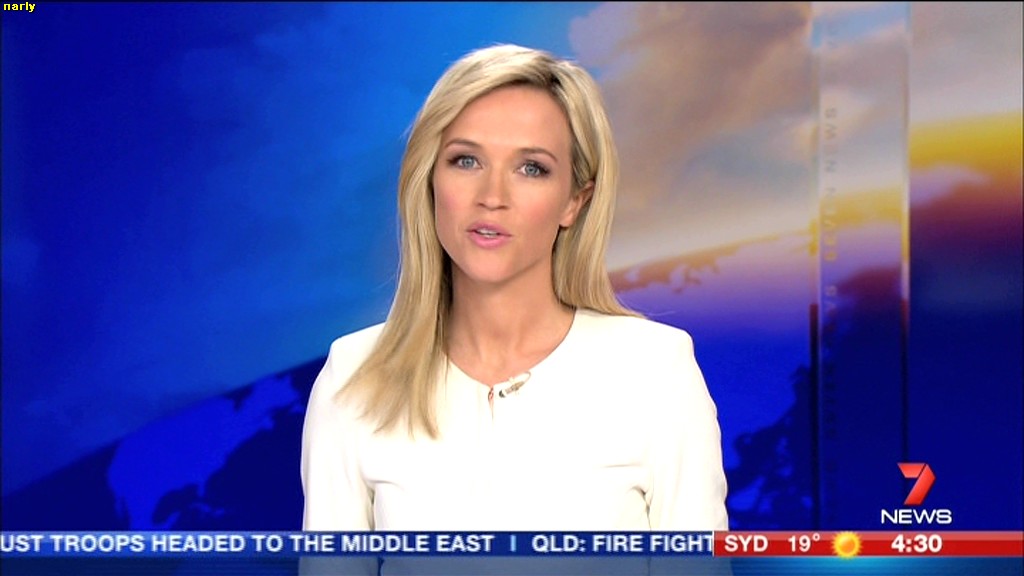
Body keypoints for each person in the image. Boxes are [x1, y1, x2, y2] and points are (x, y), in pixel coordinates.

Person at [300, 43, 728, 534]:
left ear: (574, 201)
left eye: (531, 169)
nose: (492, 197)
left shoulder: (654, 370)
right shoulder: (354, 376)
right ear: (430, 179)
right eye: (466, 161)